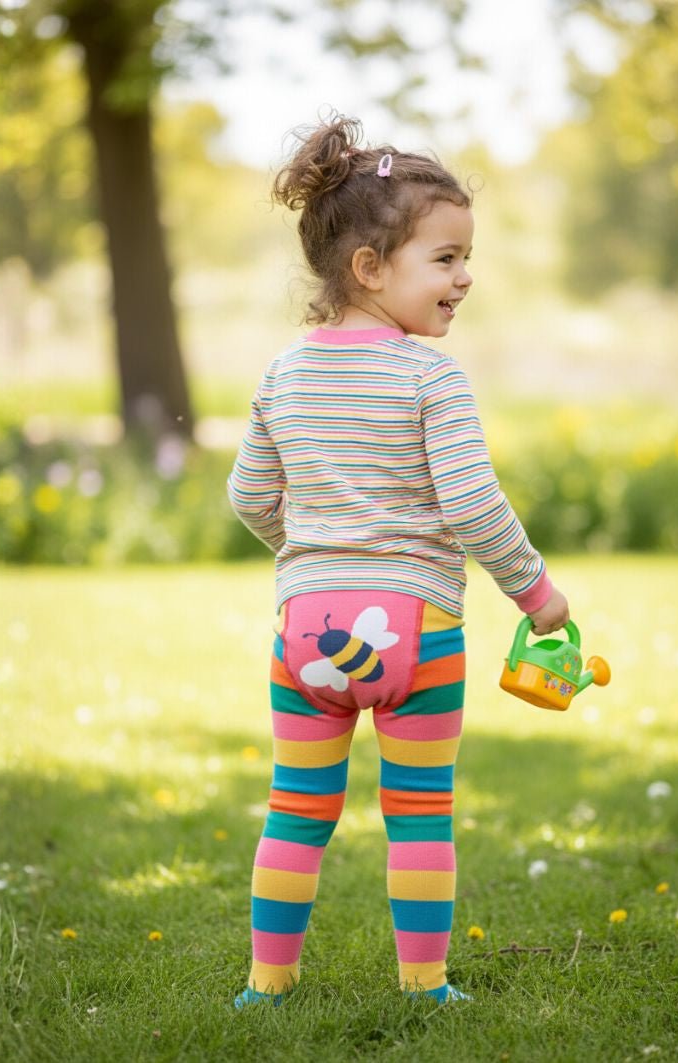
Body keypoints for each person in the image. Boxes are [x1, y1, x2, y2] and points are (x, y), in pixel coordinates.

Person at [227, 113, 569, 1008]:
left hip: (303, 631)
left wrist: (311, 561)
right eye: (446, 258)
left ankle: (268, 983)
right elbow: (471, 503)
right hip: (419, 626)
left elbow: (249, 497)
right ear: (370, 269)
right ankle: (423, 986)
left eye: (466, 257)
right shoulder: (429, 377)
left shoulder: (282, 374)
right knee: (419, 815)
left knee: (296, 807)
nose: (466, 277)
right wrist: (535, 592)